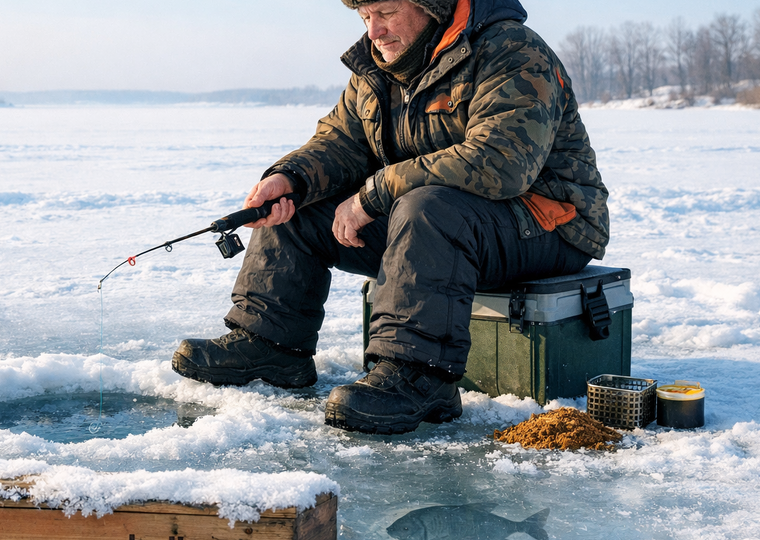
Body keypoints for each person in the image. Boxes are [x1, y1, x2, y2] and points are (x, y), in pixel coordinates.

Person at [171, 0, 609, 434]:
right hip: (435, 222)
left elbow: (501, 163)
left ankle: (419, 375)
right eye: (365, 18)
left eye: (385, 13)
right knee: (301, 210)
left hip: (550, 222)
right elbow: (342, 142)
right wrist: (291, 178)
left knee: (428, 208)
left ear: (430, 5)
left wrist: (372, 195)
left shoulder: (511, 49)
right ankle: (270, 343)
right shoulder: (377, 66)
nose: (374, 31)